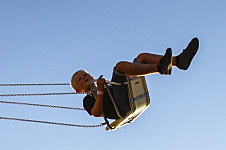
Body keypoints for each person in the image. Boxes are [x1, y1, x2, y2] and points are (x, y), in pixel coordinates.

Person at [72, 38, 200, 119]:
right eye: (80, 80)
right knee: (119, 67)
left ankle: (178, 61)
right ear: (79, 90)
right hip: (121, 107)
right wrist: (100, 91)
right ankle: (160, 67)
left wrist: (103, 87)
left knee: (142, 57)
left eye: (85, 75)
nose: (84, 78)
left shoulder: (105, 86)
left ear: (92, 76)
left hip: (127, 96)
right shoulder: (88, 99)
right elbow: (96, 112)